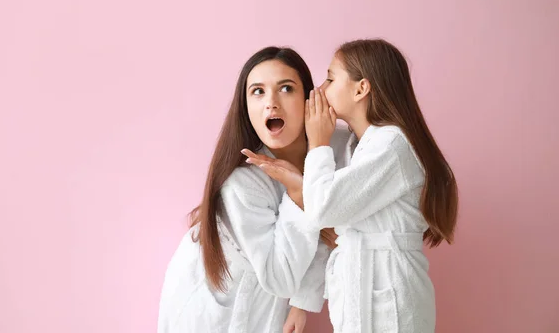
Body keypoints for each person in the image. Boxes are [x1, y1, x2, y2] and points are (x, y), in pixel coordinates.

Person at [246, 38, 459, 332]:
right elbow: (331, 233)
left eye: (331, 79)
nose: (319, 89)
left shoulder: (392, 145)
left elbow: (323, 209)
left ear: (361, 89)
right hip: (361, 300)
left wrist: (317, 143)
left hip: (392, 306)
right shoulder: (359, 146)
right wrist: (303, 302)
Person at [157, 46, 336, 333]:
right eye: (257, 92)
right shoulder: (243, 181)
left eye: (286, 88)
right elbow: (284, 274)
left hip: (267, 290)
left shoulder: (333, 145)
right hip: (212, 296)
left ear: (307, 97)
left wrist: (302, 302)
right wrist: (299, 195)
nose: (271, 103)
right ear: (246, 106)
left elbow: (327, 238)